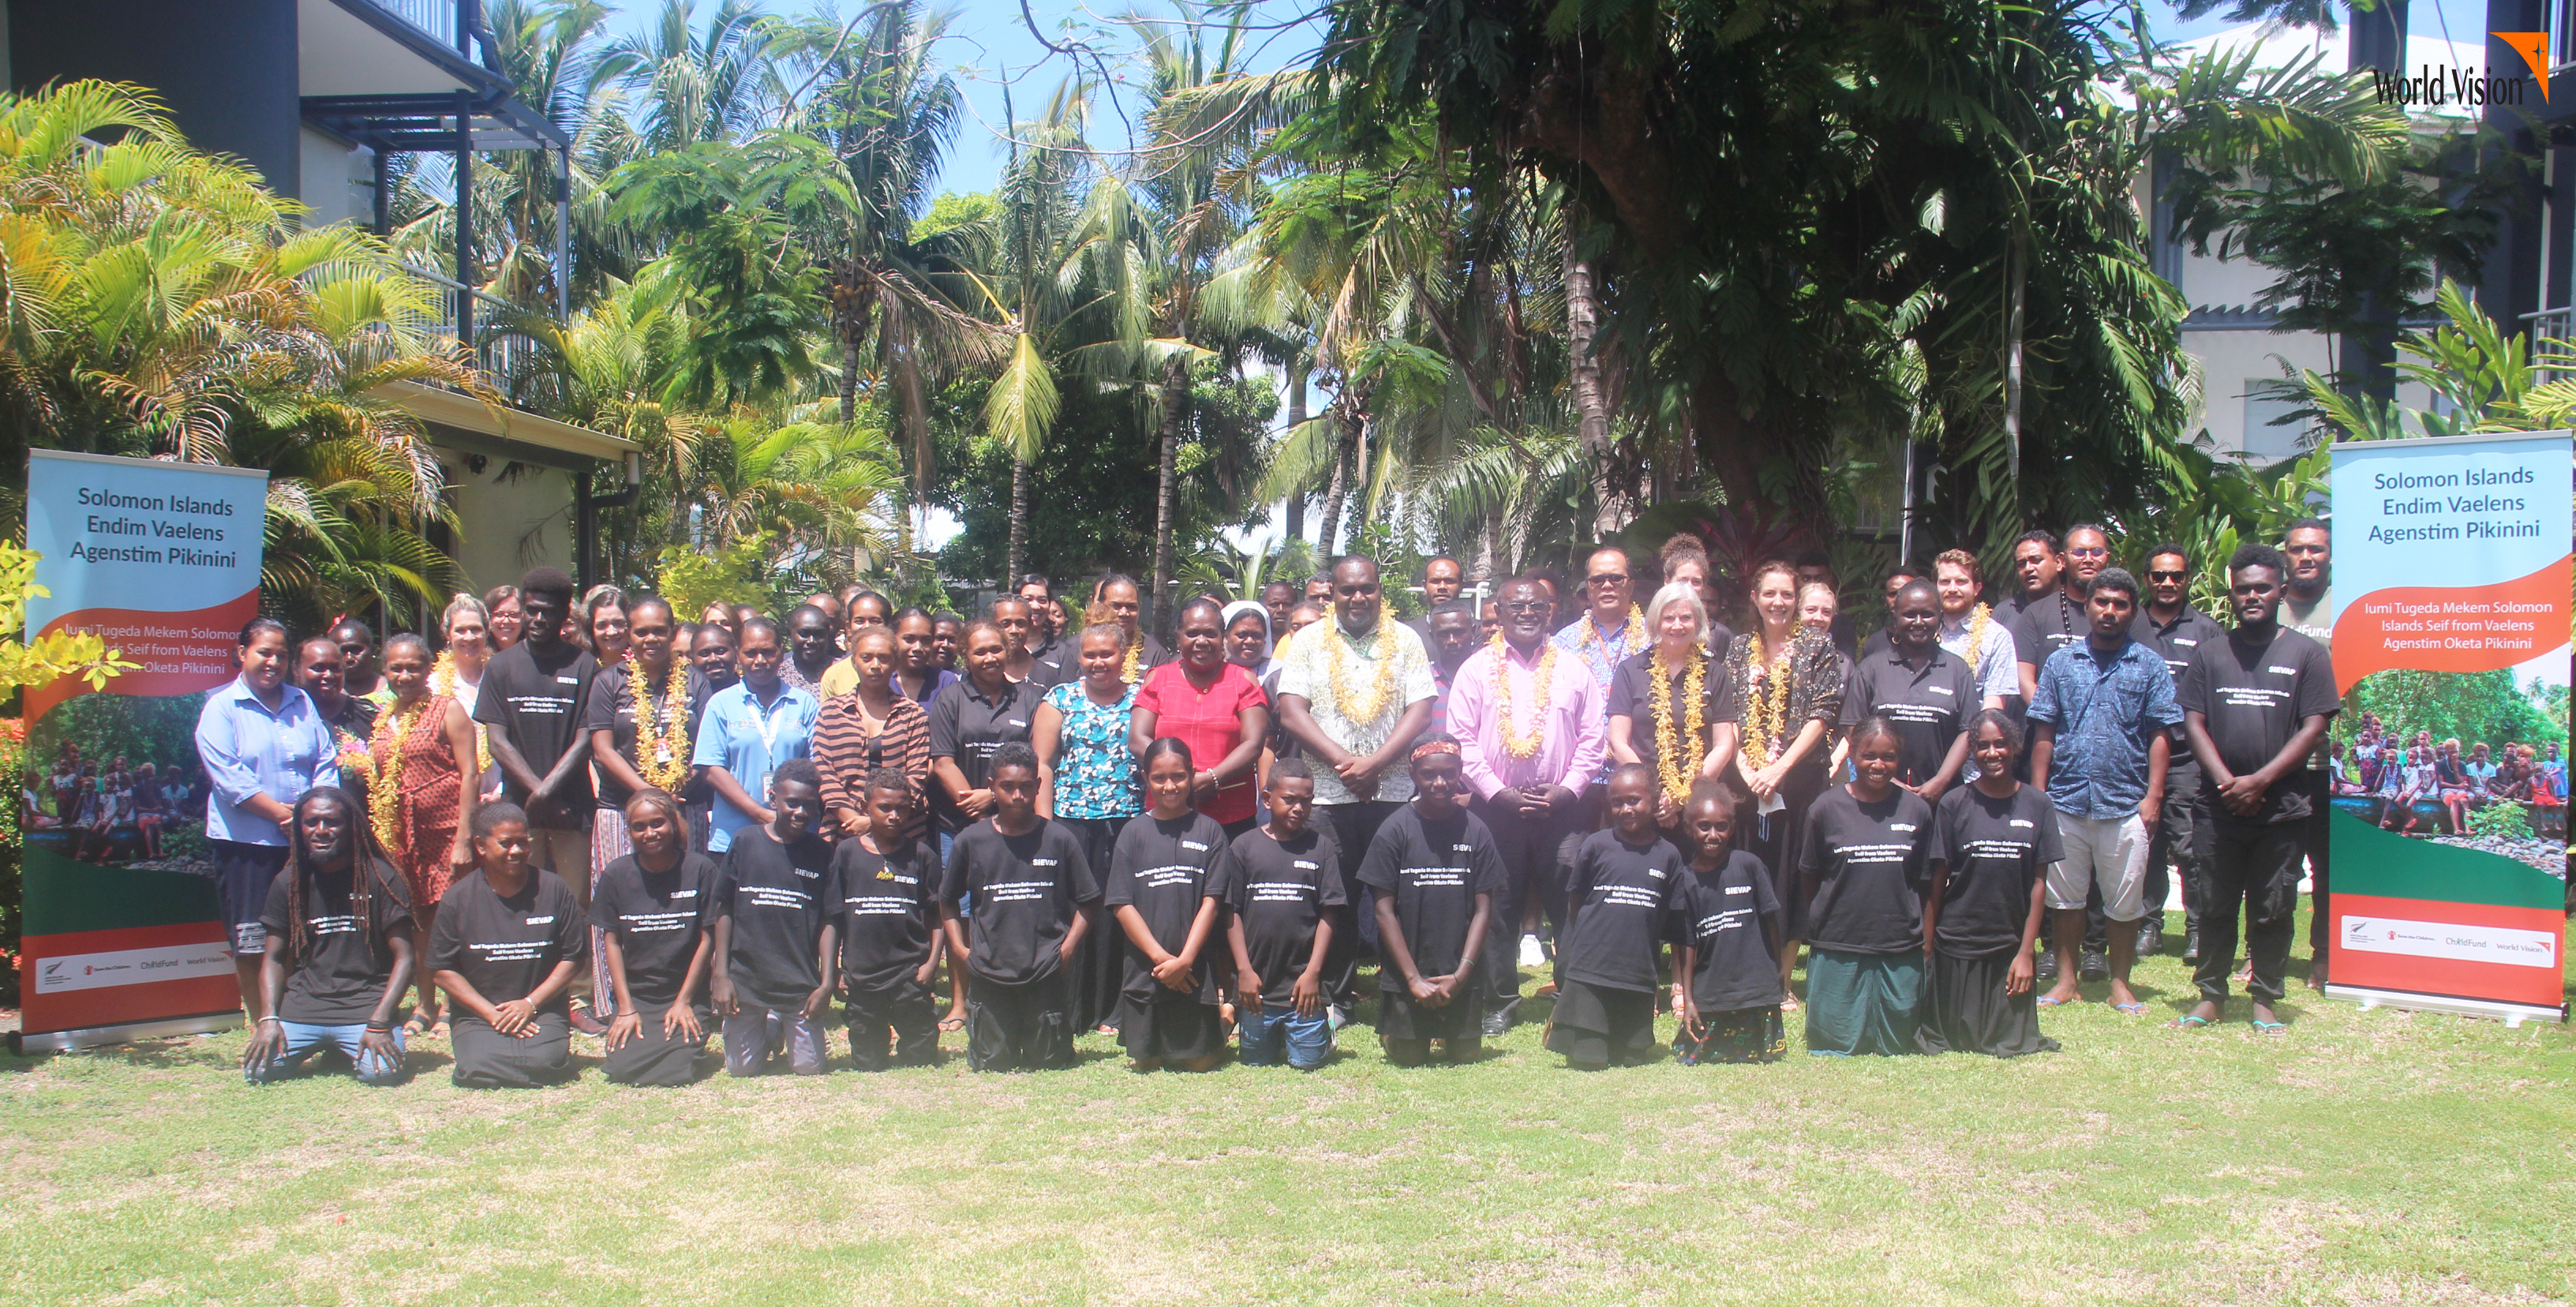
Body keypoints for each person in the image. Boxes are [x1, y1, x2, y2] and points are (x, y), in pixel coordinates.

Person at [2176, 545, 2337, 1034]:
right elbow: (2193, 721)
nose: (2253, 596)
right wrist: (2228, 782)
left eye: (2263, 588)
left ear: (2281, 593)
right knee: (2215, 902)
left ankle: (2265, 996)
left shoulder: (2305, 653)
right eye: (2243, 588)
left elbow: (2314, 726)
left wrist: (2261, 780)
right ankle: (2211, 995)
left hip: (2281, 806)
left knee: (2274, 905)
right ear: (2233, 594)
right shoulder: (2210, 654)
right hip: (2218, 806)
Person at [1276, 556, 1440, 1012]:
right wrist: (1348, 763)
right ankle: (1334, 996)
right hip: (1328, 795)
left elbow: (1421, 710)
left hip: (1393, 793)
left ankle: (1402, 991)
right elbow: (1291, 711)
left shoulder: (1406, 640)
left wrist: (1378, 764)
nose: (1357, 598)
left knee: (1400, 894)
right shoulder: (1308, 641)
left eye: (1366, 588)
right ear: (1334, 593)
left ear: (1380, 590)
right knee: (1336, 897)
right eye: (1347, 590)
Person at [1449, 575, 1607, 1033]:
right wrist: (1497, 791)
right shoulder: (1476, 669)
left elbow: (1593, 739)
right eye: (1516, 606)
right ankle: (1499, 1000)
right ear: (1497, 610)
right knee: (1497, 904)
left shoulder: (1575, 669)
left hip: (1562, 808)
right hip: (1495, 809)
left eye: (1536, 606)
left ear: (1550, 612)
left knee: (1569, 902)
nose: (1526, 613)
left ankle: (1571, 997)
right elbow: (1461, 738)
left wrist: (1570, 789)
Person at [2026, 566, 2177, 1013]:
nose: (2110, 611)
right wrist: (2038, 796)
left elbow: (2160, 735)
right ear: (2087, 606)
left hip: (2126, 802)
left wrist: (2153, 797)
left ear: (2132, 611)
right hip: (2065, 799)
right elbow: (2045, 730)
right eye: (2102, 602)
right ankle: (2067, 982)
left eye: (2120, 604)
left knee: (2125, 902)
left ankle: (2120, 984)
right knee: (2066, 899)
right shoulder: (2061, 662)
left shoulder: (2149, 664)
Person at [197, 617, 343, 1017]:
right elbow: (230, 779)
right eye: (264, 652)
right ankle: (263, 1023)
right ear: (242, 653)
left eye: (281, 655)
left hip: (307, 843)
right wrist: (286, 816)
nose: (273, 662)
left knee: (307, 932)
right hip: (248, 846)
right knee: (253, 939)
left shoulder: (302, 701)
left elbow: (326, 760)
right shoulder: (222, 709)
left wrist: (317, 815)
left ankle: (304, 1018)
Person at [581, 596, 708, 1020]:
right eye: (642, 631)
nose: (651, 638)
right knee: (616, 906)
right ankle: (613, 1002)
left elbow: (707, 743)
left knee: (681, 905)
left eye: (660, 630)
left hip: (684, 804)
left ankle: (686, 997)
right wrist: (647, 795)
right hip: (621, 809)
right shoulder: (608, 681)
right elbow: (601, 748)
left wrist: (673, 791)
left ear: (674, 633)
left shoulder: (695, 680)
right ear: (629, 636)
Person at [941, 743, 1102, 1071]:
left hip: (1044, 969)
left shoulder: (1058, 838)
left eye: (1026, 787)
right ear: (991, 787)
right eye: (1007, 787)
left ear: (1038, 787)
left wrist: (1067, 949)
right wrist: (959, 948)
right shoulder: (971, 841)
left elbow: (1090, 901)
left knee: (1049, 1061)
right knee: (994, 1062)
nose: (1017, 795)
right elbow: (946, 900)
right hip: (989, 968)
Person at [1725, 561, 1844, 1004]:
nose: (1779, 603)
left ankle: (1782, 980)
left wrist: (1781, 768)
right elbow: (1726, 713)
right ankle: (1746, 971)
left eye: (1787, 595)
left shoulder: (1818, 646)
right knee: (1749, 871)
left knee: (1793, 876)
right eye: (1769, 594)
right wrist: (1745, 767)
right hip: (1748, 782)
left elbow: (1824, 712)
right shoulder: (1738, 650)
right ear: (1754, 598)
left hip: (1799, 783)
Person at [242, 788, 414, 1086]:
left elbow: (406, 957)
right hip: (304, 1008)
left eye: (332, 822)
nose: (321, 831)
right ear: (299, 827)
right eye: (311, 822)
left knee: (382, 1074)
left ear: (351, 827)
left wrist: (379, 1022)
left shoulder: (382, 878)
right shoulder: (288, 882)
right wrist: (268, 1019)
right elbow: (271, 959)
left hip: (364, 1008)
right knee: (259, 1072)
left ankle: (340, 1047)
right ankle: (332, 1047)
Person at [1921, 710, 2061, 1057]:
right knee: (1959, 1040)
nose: (1992, 753)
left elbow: (2039, 884)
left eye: (2000, 744)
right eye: (1982, 746)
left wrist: (2027, 953)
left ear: (2015, 747)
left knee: (2011, 1043)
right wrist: (1928, 946)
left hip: (2010, 946)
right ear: (1972, 752)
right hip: (1958, 943)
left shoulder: (2038, 804)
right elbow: (1938, 881)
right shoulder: (1954, 804)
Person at [358, 633, 478, 1035]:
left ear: (429, 669)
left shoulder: (448, 710)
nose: (405, 674)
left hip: (444, 833)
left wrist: (464, 836)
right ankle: (423, 1005)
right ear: (384, 670)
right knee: (417, 921)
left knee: (450, 918)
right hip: (401, 839)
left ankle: (452, 1006)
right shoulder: (383, 717)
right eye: (396, 667)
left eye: (414, 667)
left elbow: (470, 774)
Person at [1361, 737, 1504, 1065]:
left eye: (1449, 774)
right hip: (1408, 974)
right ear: (1413, 774)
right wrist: (1413, 979)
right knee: (1409, 1058)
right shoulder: (1394, 829)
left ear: (1461, 773)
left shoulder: (1477, 830)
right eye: (1429, 775)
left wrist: (1463, 973)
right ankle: (1394, 1033)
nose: (1440, 783)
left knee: (1466, 1057)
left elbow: (1484, 908)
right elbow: (1383, 911)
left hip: (1459, 973)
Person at [1799, 716, 1935, 1056]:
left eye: (1888, 757)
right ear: (1852, 757)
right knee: (1832, 1040)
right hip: (1839, 940)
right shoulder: (1825, 808)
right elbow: (1810, 875)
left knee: (1900, 1041)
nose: (1878, 764)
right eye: (1869, 755)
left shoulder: (1917, 810)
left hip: (1899, 940)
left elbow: (1926, 880)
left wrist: (1926, 941)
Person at [1035, 620, 1144, 1032]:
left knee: (1120, 912)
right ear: (1079, 657)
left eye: (1107, 655)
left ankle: (1115, 1010)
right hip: (1071, 824)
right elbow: (1043, 764)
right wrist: (1045, 827)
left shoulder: (1141, 698)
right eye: (1090, 655)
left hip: (1127, 822)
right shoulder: (1060, 698)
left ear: (1123, 657)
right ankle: (1075, 1007)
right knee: (1076, 911)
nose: (1098, 663)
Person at [429, 801, 587, 1088]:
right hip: (479, 1013)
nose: (516, 851)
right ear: (479, 845)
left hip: (542, 1006)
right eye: (505, 843)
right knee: (475, 1068)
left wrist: (530, 1003)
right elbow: (441, 969)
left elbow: (573, 957)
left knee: (546, 1062)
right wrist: (490, 1013)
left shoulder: (554, 889)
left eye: (522, 843)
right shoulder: (458, 898)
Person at [473, 566, 599, 922]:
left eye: (548, 611)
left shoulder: (584, 664)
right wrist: (540, 795)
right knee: (519, 900)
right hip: (519, 810)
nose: (539, 618)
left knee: (576, 901)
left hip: (572, 809)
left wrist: (551, 794)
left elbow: (586, 738)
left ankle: (577, 980)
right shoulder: (500, 666)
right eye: (531, 610)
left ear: (564, 613)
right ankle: (526, 977)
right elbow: (497, 742)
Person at [1545, 764, 1686, 1069]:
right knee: (1589, 1058)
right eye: (1617, 802)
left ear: (1655, 799)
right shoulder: (1596, 845)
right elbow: (1576, 900)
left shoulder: (1669, 855)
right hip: (1592, 970)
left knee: (1633, 1058)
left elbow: (1667, 916)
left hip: (1637, 972)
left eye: (1634, 800)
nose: (1626, 809)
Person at [1105, 738, 1229, 1071]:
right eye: (1159, 778)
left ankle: (1223, 1022)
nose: (1170, 786)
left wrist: (1185, 960)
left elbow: (1212, 902)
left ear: (1192, 775)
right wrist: (1163, 960)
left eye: (1179, 776)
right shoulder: (1132, 832)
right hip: (1148, 969)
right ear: (1146, 778)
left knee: (1199, 1064)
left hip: (1193, 972)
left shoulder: (1210, 831)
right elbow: (1120, 904)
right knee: (1148, 1062)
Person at [710, 758, 838, 1077]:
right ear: (773, 798)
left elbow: (829, 919)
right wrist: (721, 974)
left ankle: (783, 1021)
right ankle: (770, 1028)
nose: (801, 813)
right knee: (742, 1070)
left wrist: (827, 982)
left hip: (798, 981)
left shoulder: (822, 852)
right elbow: (724, 908)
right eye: (792, 803)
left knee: (808, 1068)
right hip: (747, 978)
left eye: (809, 805)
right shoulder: (746, 841)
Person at [1214, 761, 1345, 1070]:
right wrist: (1243, 971)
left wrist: (1313, 972)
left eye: (1307, 800)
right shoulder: (1244, 846)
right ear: (1268, 798)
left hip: (1303, 987)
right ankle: (1241, 1016)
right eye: (1290, 799)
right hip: (1256, 988)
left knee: (1307, 1063)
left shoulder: (1321, 848)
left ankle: (1323, 1026)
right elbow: (1232, 911)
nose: (1299, 808)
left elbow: (1329, 913)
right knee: (1255, 1062)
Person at [2132, 543, 2226, 961]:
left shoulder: (2207, 631)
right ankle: (2148, 926)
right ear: (2147, 580)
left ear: (2188, 579)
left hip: (2188, 758)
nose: (2168, 583)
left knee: (2190, 846)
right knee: (2144, 843)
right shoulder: (2129, 624)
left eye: (2177, 576)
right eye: (2159, 576)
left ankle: (2197, 929)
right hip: (2136, 755)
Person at [590, 788, 718, 1085]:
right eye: (639, 827)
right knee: (620, 1070)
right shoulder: (616, 874)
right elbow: (611, 942)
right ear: (629, 831)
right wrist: (624, 1008)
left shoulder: (700, 869)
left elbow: (707, 940)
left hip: (684, 994)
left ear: (673, 822)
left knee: (679, 1070)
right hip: (638, 997)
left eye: (657, 823)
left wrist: (684, 1001)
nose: (650, 833)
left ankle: (679, 1042)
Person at [1130, 597, 1270, 838]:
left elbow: (1254, 744)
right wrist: (1177, 776)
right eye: (1192, 633)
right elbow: (1137, 738)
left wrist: (1212, 779)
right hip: (1167, 805)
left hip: (1231, 812)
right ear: (1179, 637)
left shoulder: (1243, 680)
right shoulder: (1157, 679)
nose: (1201, 641)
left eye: (1210, 633)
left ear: (1222, 637)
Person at [833, 770, 945, 1070]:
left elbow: (937, 917)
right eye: (885, 807)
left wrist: (931, 963)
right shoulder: (846, 853)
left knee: (921, 1057)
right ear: (865, 805)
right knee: (868, 1062)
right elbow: (833, 918)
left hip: (909, 973)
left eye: (903, 808)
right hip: (862, 974)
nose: (895, 816)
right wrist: (834, 969)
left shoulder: (923, 856)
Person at [1669, 780, 1787, 1065]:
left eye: (1721, 826)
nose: (1713, 834)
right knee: (1694, 1053)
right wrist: (1689, 998)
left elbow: (1771, 921)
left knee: (1760, 1053)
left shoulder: (1749, 865)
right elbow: (1686, 942)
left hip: (1756, 986)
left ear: (1732, 828)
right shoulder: (1685, 880)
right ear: (1689, 829)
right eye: (1704, 826)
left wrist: (1779, 971)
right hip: (1713, 988)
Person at [694, 617, 822, 856]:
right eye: (751, 653)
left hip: (796, 832)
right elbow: (712, 769)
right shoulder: (720, 704)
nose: (760, 661)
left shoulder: (804, 703)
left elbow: (816, 765)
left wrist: (788, 815)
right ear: (737, 654)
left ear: (781, 652)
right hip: (734, 836)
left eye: (768, 652)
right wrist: (759, 813)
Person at [1840, 579, 1977, 799]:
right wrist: (1889, 781)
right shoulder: (1871, 668)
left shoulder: (1957, 670)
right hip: (1878, 794)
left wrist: (1940, 782)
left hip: (1942, 797)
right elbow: (1852, 726)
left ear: (1940, 617)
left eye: (1928, 614)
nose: (1919, 622)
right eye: (1910, 615)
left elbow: (1968, 731)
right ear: (1895, 617)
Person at [814, 626, 932, 843]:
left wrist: (873, 821)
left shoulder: (913, 714)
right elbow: (824, 771)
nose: (875, 666)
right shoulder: (831, 712)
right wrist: (851, 819)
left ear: (895, 664)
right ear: (854, 662)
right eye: (866, 658)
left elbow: (917, 774)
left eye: (884, 658)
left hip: (903, 832)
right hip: (843, 831)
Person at [2012, 526, 2104, 700]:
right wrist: (2049, 717)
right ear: (2062, 560)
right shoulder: (2035, 613)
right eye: (2079, 552)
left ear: (2107, 557)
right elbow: (2023, 680)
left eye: (2097, 552)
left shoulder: (2127, 612)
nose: (2088, 559)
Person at [1930, 550, 2016, 710]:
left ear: (1977, 588)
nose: (1952, 589)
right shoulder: (1923, 632)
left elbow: (1993, 708)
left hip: (1972, 729)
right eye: (1945, 582)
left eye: (1961, 582)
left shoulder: (1997, 637)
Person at [1555, 547, 1646, 691]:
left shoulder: (1654, 636)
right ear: (1588, 588)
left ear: (1631, 586)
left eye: (1616, 578)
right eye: (1597, 580)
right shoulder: (1563, 643)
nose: (1607, 585)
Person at [295, 635, 378, 750]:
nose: (329, 675)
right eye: (318, 668)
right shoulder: (286, 716)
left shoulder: (367, 715)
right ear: (296, 670)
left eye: (335, 668)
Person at [1091, 575, 1170, 677]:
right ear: (1099, 606)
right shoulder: (1078, 648)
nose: (1124, 613)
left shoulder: (1156, 654)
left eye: (1131, 607)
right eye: (1116, 606)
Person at [778, 604, 841, 698]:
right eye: (804, 633)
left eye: (819, 634)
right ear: (789, 633)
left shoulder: (841, 671)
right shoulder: (779, 673)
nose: (811, 641)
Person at [331, 618, 395, 712]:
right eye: (342, 651)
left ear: (373, 651)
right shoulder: (327, 696)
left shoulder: (395, 690)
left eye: (356, 650)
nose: (349, 658)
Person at [1407, 556, 1466, 644]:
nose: (1442, 587)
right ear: (1425, 586)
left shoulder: (1478, 631)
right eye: (1435, 581)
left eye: (1449, 581)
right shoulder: (1409, 633)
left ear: (1461, 586)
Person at [1222, 601, 1275, 684]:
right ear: (1225, 637)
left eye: (1257, 636)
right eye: (1242, 635)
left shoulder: (1278, 672)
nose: (1250, 641)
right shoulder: (1214, 672)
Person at [484, 584, 526, 651]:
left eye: (514, 615)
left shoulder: (536, 656)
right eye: (499, 614)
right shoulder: (478, 657)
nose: (506, 621)